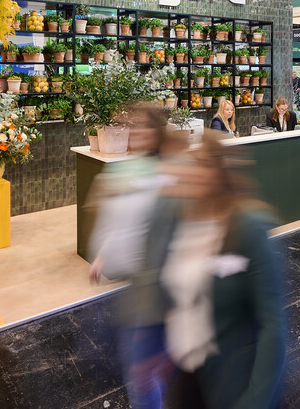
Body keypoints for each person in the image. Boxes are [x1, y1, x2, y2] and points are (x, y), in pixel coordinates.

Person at [146, 134, 286, 408]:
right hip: (185, 372)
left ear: (219, 172)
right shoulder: (182, 221)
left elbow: (273, 324)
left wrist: (256, 400)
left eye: (200, 164)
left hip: (230, 382)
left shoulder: (247, 227)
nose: (190, 171)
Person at [88, 104, 177, 409]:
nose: (135, 132)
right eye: (132, 126)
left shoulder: (169, 173)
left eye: (143, 127)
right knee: (146, 371)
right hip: (142, 291)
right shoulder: (132, 170)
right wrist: (102, 256)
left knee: (145, 373)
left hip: (161, 293)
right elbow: (121, 223)